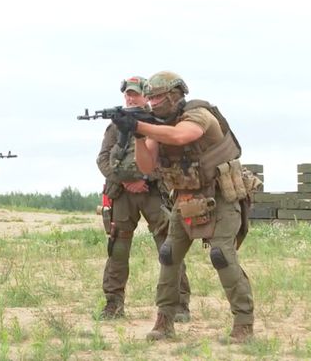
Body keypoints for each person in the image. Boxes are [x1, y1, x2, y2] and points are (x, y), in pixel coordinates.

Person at [113, 71, 255, 343]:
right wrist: (138, 136)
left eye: (158, 97)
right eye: (150, 98)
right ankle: (164, 321)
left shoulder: (199, 114)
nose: (153, 103)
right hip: (186, 198)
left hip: (221, 195)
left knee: (221, 255)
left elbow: (181, 137)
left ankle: (244, 325)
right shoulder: (156, 125)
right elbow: (145, 166)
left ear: (175, 95)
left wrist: (141, 127)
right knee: (168, 255)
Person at [96, 77, 192, 320]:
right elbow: (103, 159)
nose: (130, 98)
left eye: (135, 94)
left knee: (170, 248)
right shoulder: (115, 126)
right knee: (117, 250)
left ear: (146, 96)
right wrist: (124, 180)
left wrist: (145, 179)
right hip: (122, 195)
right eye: (127, 94)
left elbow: (168, 157)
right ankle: (113, 304)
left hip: (152, 193)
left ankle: (179, 304)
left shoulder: (159, 122)